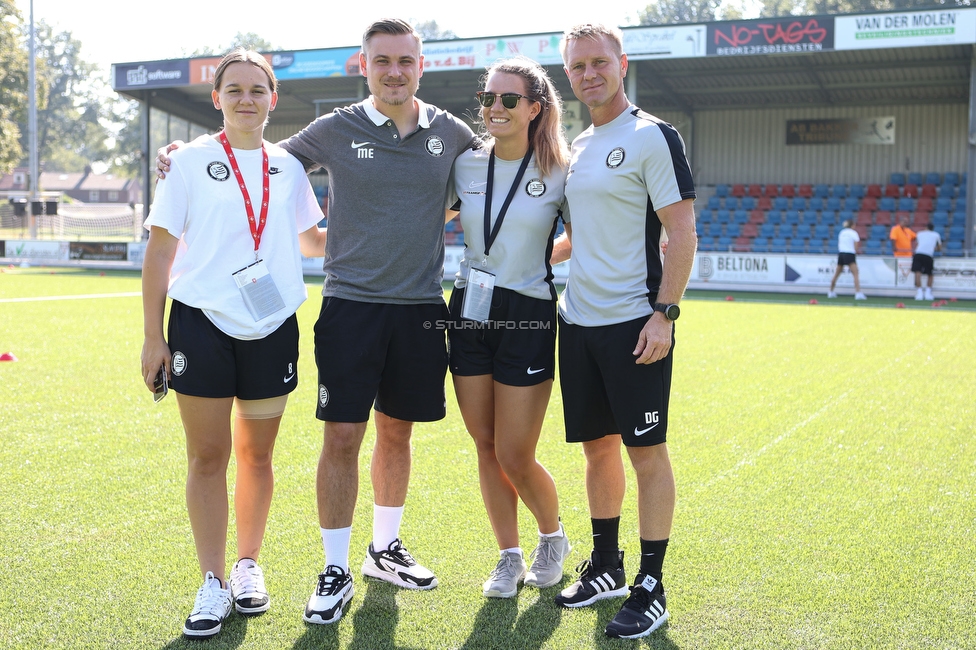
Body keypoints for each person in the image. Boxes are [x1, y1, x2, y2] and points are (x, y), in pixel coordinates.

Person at [159, 19, 478, 625]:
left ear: (420, 66)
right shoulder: (334, 129)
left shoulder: (452, 132)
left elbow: (497, 167)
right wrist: (185, 152)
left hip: (419, 309)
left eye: (404, 61)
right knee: (342, 437)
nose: (393, 71)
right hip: (349, 307)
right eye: (381, 60)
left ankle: (384, 550)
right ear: (364, 66)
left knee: (398, 434)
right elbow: (254, 149)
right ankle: (333, 568)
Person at [141, 49, 326, 639]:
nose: (247, 99)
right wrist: (152, 336)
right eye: (235, 89)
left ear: (273, 98)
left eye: (258, 89)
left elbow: (313, 243)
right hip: (201, 324)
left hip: (271, 326)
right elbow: (161, 251)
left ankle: (248, 565)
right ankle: (213, 580)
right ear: (216, 98)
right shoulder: (190, 163)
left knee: (258, 455)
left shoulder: (288, 168)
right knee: (207, 457)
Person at [550, 23, 697, 640]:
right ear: (569, 75)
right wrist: (530, 260)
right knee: (597, 449)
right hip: (577, 323)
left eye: (598, 62)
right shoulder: (576, 145)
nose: (589, 73)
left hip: (635, 323)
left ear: (621, 63)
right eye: (577, 66)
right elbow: (585, 236)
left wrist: (664, 313)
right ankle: (606, 565)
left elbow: (681, 232)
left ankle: (651, 583)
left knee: (646, 453)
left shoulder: (652, 136)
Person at [446, 56, 571, 599]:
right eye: (488, 99)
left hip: (527, 312)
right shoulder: (465, 164)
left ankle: (552, 537)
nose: (495, 108)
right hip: (468, 308)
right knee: (485, 444)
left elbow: (591, 234)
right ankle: (508, 555)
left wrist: (543, 256)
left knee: (514, 453)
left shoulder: (563, 169)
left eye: (509, 100)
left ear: (534, 108)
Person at [827, 219, 867, 300]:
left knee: (836, 274)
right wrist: (856, 252)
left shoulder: (842, 232)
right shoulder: (853, 233)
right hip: (850, 254)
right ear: (852, 225)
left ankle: (830, 292)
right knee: (855, 273)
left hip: (841, 254)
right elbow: (856, 245)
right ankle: (858, 293)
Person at [912, 222, 942, 300]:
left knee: (918, 273)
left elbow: (918, 244)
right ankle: (928, 293)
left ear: (926, 227)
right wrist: (933, 248)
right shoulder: (936, 235)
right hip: (928, 255)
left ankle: (919, 293)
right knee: (930, 274)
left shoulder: (919, 233)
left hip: (918, 254)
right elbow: (939, 248)